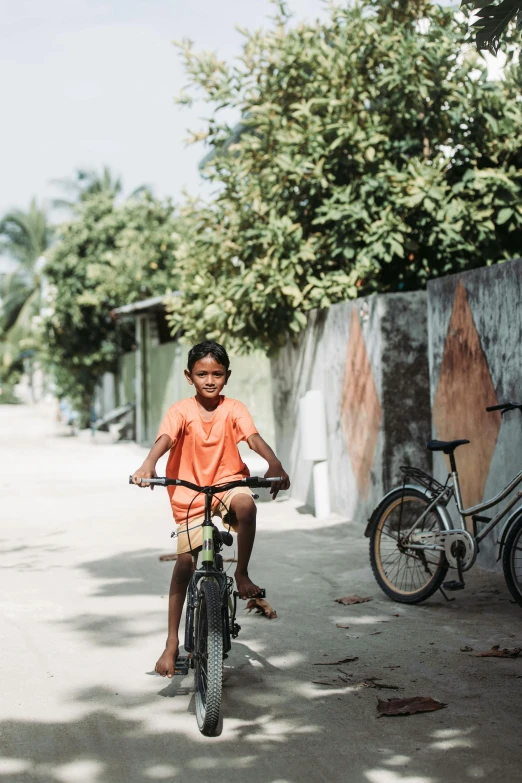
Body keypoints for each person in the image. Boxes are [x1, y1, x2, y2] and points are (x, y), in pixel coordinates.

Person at [131, 340, 290, 678]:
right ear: (189, 377)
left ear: (226, 376)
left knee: (247, 507)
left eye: (217, 374)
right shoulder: (180, 411)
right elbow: (165, 440)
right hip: (188, 493)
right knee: (185, 564)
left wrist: (273, 461)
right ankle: (172, 643)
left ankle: (242, 572)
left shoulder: (233, 409)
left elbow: (253, 438)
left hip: (228, 483)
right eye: (202, 373)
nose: (209, 380)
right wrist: (148, 464)